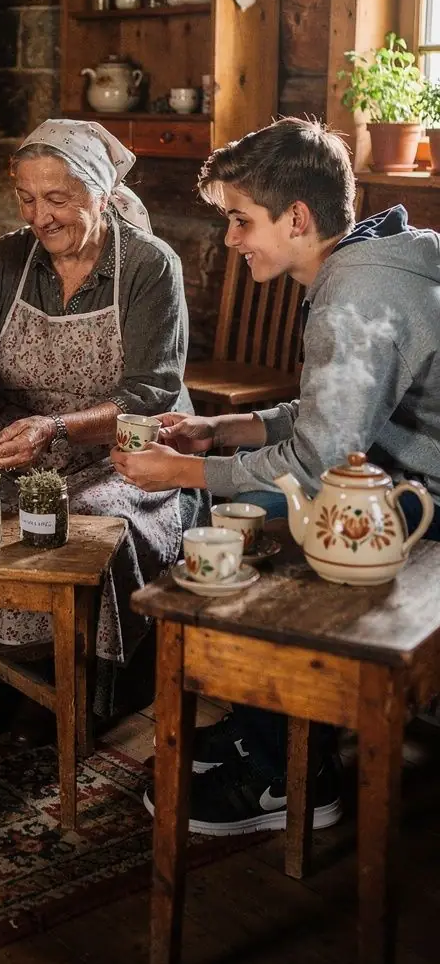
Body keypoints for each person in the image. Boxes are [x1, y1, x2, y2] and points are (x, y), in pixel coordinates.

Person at [113, 116, 440, 835]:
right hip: (400, 471)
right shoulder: (379, 255)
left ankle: (284, 772)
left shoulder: (356, 294)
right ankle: (272, 731)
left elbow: (322, 464)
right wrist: (230, 428)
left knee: (240, 521)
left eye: (240, 219)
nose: (229, 239)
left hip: (424, 505)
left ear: (296, 217)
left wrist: (186, 467)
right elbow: (340, 415)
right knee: (236, 491)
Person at [0, 117, 201, 738]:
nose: (41, 217)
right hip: (16, 441)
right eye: (27, 198)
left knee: (97, 516)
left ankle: (79, 684)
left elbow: (150, 397)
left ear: (99, 194)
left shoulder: (150, 267)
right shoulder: (6, 259)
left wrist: (58, 428)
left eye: (58, 199)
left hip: (123, 449)